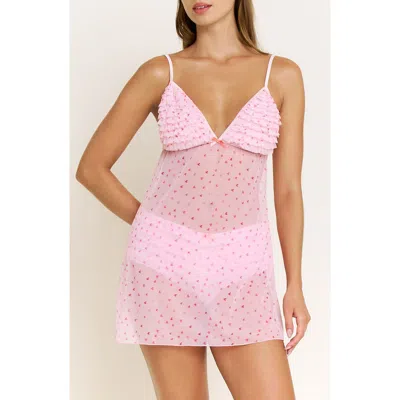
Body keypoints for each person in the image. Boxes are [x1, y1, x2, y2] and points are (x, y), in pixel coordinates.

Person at [76, 0, 311, 398]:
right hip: (163, 270)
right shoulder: (160, 73)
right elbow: (92, 168)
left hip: (244, 269)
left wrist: (295, 284)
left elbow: (288, 190)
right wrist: (155, 228)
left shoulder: (282, 75)